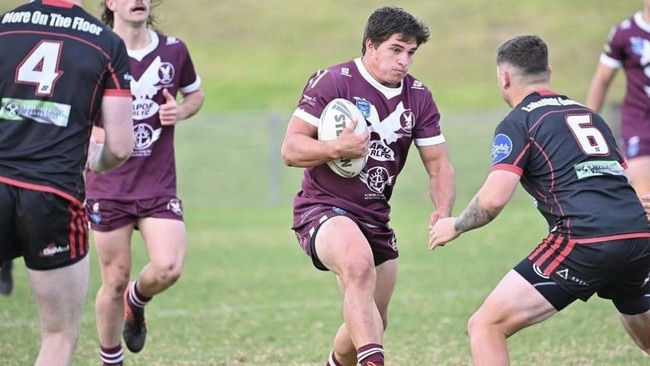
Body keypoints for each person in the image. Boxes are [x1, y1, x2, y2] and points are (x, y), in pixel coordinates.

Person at [429, 35, 650, 365]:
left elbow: (493, 200)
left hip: (585, 239)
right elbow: (622, 178)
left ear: (504, 78)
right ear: (548, 70)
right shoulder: (589, 115)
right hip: (637, 235)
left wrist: (455, 225)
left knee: (485, 325)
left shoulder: (519, 122)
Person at [281, 6, 455, 366]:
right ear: (370, 45)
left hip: (375, 216)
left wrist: (443, 211)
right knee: (358, 267)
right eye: (396, 49)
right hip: (323, 207)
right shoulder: (333, 81)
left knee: (374, 321)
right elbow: (291, 148)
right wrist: (335, 148)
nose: (404, 60)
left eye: (411, 53)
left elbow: (439, 166)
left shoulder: (419, 97)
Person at [0, 0, 135, 364]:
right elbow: (121, 145)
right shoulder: (105, 42)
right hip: (54, 196)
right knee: (58, 335)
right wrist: (99, 164)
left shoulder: (6, 25)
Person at [86, 1, 204, 364]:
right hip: (108, 184)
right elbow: (76, 108)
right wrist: (99, 136)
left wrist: (180, 110)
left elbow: (194, 94)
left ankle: (136, 302)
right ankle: (112, 358)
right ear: (110, 3)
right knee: (114, 277)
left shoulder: (173, 50)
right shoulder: (96, 50)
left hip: (157, 184)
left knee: (169, 267)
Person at [586, 1, 650, 199]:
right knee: (645, 198)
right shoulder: (625, 33)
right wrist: (588, 125)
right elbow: (602, 80)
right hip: (640, 124)